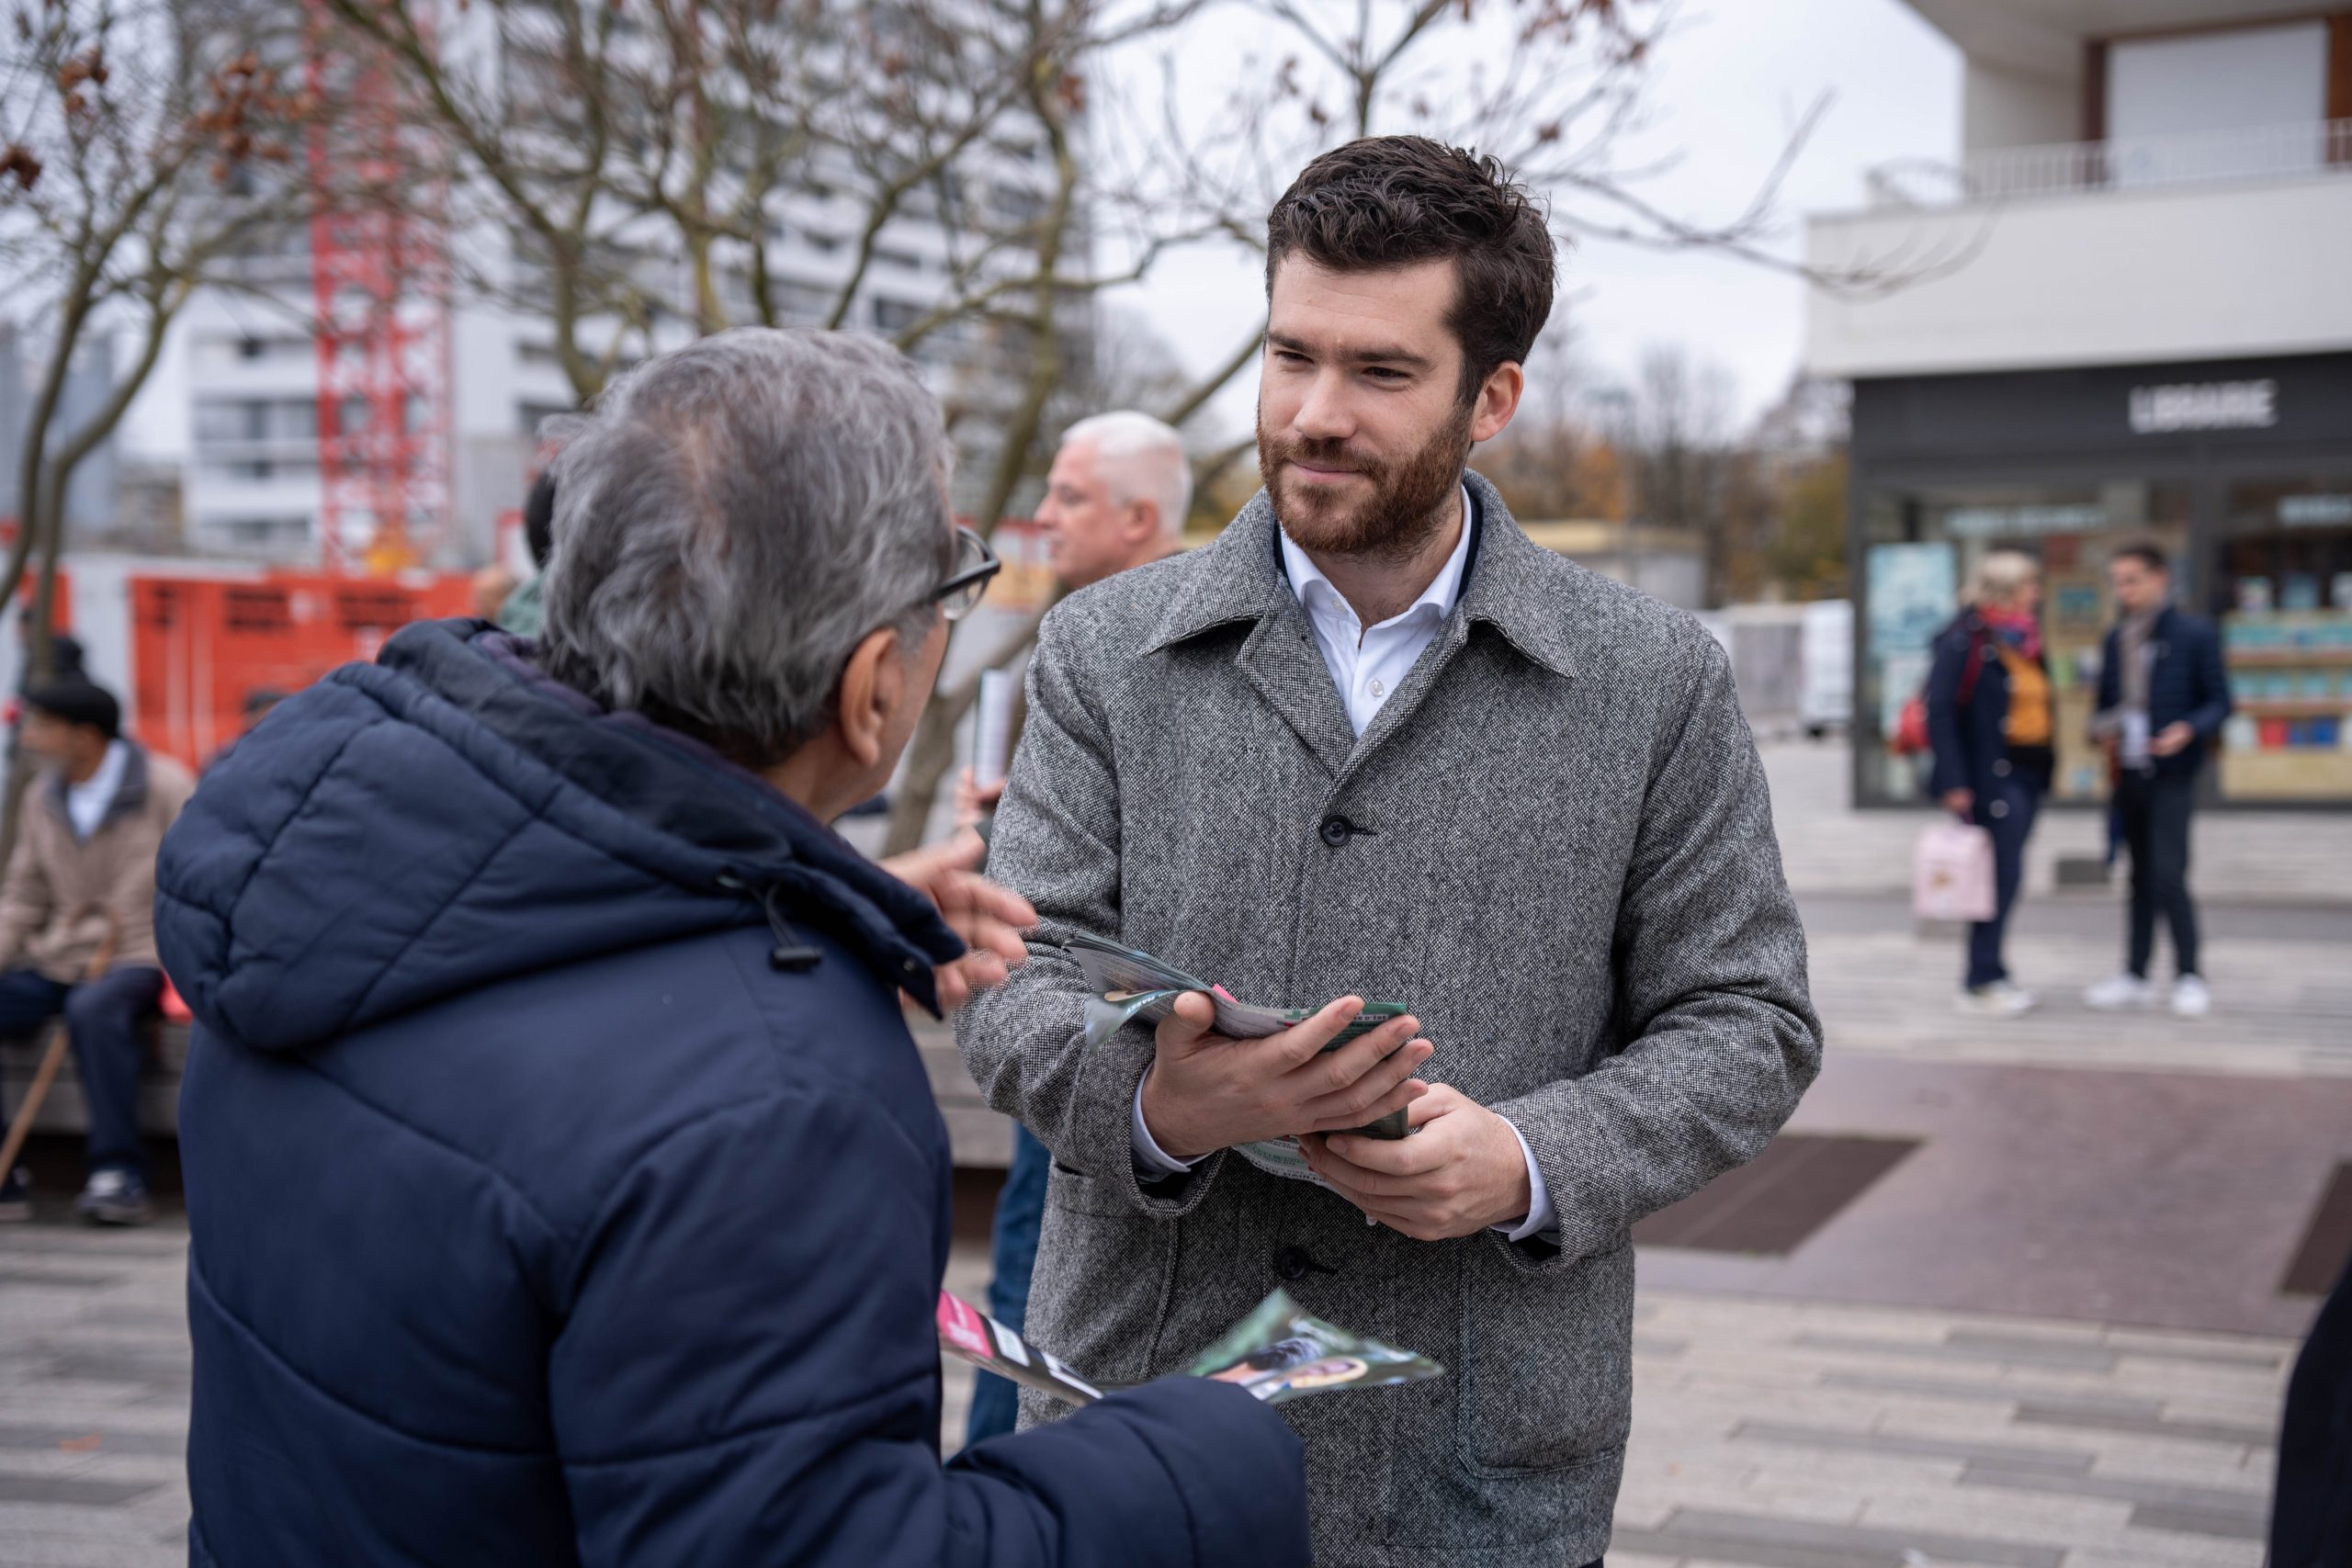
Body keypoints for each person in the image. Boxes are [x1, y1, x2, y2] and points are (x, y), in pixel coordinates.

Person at [153, 329, 1311, 1568]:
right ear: (871, 686)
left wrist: (810, 901)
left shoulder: (328, 870)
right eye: (952, 579)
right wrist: (1202, 1447)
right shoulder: (778, 1095)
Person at [956, 137, 1821, 1568]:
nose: (1312, 413)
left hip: (1472, 1452)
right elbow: (1013, 967)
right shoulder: (1105, 647)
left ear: (1494, 397)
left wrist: (1536, 1156)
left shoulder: (1654, 678)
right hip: (1149, 1422)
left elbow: (1749, 1019)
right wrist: (1165, 1100)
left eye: (1379, 371)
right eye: (1290, 355)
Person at [964, 407, 1193, 1447]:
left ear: (1141, 517)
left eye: (1071, 497)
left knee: (1035, 1263)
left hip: (1135, 1041)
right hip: (1047, 1011)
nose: (1044, 518)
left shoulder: (1183, 659)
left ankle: (999, 1482)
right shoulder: (1060, 643)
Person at [0, 675, 192, 1224]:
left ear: (84, 736)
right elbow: (24, 894)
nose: (29, 738)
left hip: (141, 954)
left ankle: (118, 1173)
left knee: (95, 1008)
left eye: (41, 726)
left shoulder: (165, 785)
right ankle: (6, 1174)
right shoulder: (43, 797)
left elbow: (199, 876)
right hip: (60, 955)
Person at [2084, 540, 2231, 1018]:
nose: (2123, 590)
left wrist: (2188, 729)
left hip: (2172, 771)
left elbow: (2219, 701)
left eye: (2132, 579)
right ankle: (2135, 973)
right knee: (2138, 877)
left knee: (2170, 874)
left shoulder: (2194, 633)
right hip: (2128, 773)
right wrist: (2101, 731)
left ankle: (2189, 974)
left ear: (2160, 578)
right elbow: (2103, 706)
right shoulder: (2116, 638)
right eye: (2117, 581)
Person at [1924, 550, 2054, 1018]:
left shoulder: (2023, 639)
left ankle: (1993, 970)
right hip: (1988, 778)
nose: (2036, 595)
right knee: (1996, 877)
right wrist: (1955, 782)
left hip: (2026, 771)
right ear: (2005, 589)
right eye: (2029, 586)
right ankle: (1981, 978)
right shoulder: (1965, 639)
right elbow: (1938, 710)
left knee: (2008, 874)